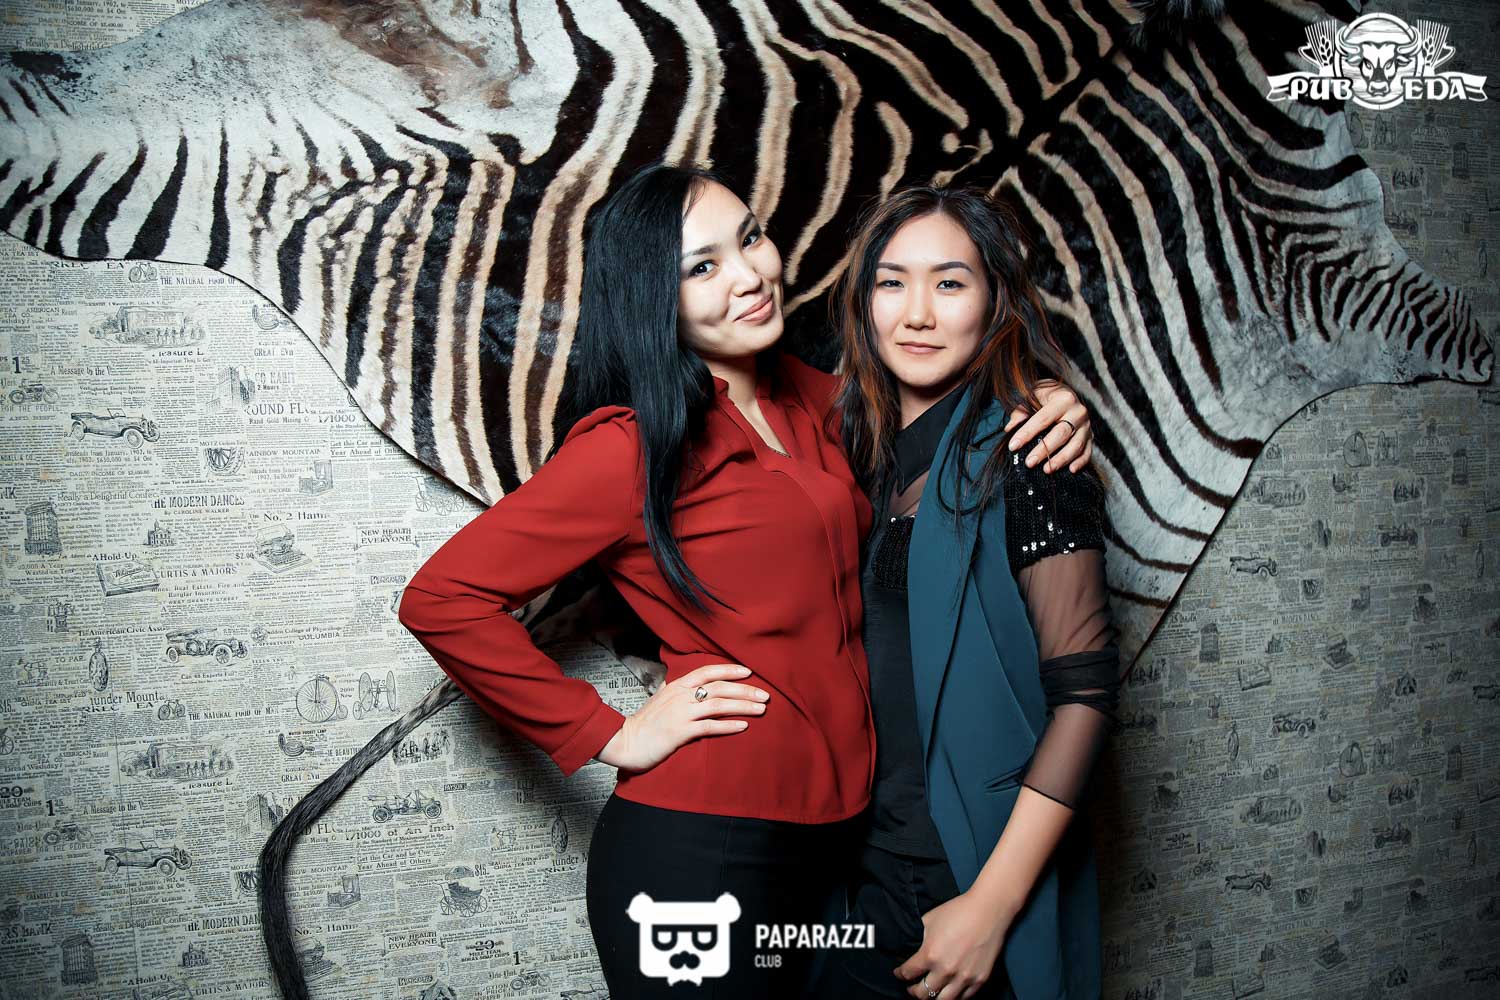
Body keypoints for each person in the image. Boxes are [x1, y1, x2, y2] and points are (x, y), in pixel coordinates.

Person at [323, 165, 1090, 998]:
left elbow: (944, 403)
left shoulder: (819, 403)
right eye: (702, 267)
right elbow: (442, 599)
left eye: (750, 238)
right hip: (700, 849)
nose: (749, 276)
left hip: (835, 849)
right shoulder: (632, 447)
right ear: (657, 299)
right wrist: (608, 734)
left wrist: (1046, 399)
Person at [817, 185, 1125, 1000]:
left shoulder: (1031, 449)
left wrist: (990, 906)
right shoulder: (853, 453)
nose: (917, 313)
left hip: (968, 874)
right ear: (864, 301)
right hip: (858, 865)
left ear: (994, 301)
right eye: (892, 282)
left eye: (949, 283)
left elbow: (1086, 697)